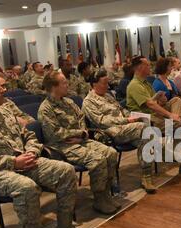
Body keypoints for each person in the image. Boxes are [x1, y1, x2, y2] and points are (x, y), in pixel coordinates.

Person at [0, 74, 94, 228]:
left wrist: (31, 151)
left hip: (24, 161)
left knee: (66, 170)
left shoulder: (4, 110)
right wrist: (13, 162)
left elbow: (29, 135)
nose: (3, 88)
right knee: (26, 187)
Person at [38, 71, 120, 215]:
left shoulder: (68, 102)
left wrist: (83, 134)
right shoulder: (46, 109)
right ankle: (99, 199)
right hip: (62, 146)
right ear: (54, 87)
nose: (67, 84)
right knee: (98, 160)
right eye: (63, 82)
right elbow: (55, 133)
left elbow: (81, 118)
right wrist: (79, 134)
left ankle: (106, 194)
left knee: (111, 153)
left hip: (81, 140)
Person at [82, 69, 157, 194]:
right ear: (94, 84)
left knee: (144, 137)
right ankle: (146, 175)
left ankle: (146, 176)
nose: (107, 86)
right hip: (107, 132)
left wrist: (132, 116)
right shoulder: (88, 101)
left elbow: (121, 110)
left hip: (124, 129)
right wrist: (127, 121)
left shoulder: (107, 96)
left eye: (107, 83)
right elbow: (101, 121)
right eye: (104, 83)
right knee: (144, 128)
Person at [126, 55, 181, 174]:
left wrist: (161, 100)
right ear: (140, 67)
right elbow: (150, 105)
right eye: (147, 65)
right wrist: (169, 115)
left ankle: (177, 153)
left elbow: (154, 102)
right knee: (180, 126)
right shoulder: (135, 85)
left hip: (154, 115)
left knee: (176, 102)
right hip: (145, 120)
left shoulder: (145, 83)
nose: (150, 67)